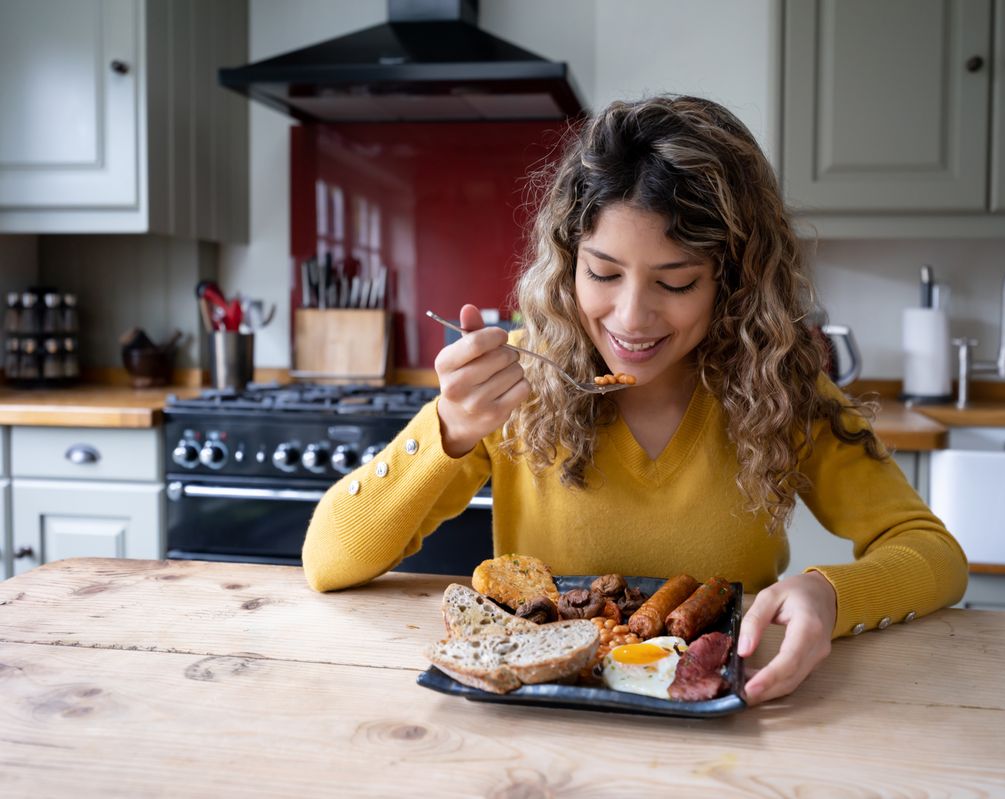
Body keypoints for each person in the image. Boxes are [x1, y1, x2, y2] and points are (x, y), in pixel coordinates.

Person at [302, 95, 968, 705]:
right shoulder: (519, 377)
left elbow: (932, 552)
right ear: (569, 262)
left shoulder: (778, 387)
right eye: (603, 272)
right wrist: (448, 429)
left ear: (730, 282)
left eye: (675, 282)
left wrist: (829, 594)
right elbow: (328, 559)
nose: (631, 317)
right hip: (537, 740)